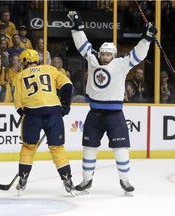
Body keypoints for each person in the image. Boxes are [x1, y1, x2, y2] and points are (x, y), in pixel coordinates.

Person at [67, 11, 157, 194]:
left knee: (121, 149)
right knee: (89, 149)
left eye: (108, 54)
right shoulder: (93, 60)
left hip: (115, 114)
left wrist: (147, 38)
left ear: (114, 55)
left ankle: (125, 181)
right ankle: (86, 181)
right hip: (94, 113)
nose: (104, 57)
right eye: (103, 54)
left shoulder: (122, 64)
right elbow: (83, 45)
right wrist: (77, 28)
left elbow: (137, 55)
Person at [12, 49, 75, 195]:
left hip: (32, 113)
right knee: (57, 147)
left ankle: (22, 179)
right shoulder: (50, 69)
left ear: (24, 62)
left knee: (28, 147)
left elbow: (18, 104)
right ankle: (68, 181)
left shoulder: (20, 76)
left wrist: (28, 115)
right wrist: (65, 106)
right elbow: (68, 86)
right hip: (53, 112)